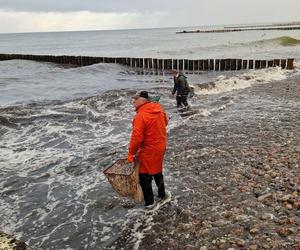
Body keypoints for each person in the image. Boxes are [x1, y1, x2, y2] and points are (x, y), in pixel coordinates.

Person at [127, 91, 170, 209]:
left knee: (144, 176)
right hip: (160, 146)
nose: (133, 103)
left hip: (147, 150)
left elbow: (136, 138)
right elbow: (165, 122)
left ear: (142, 101)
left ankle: (150, 204)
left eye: (135, 100)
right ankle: (162, 195)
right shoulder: (159, 109)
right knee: (157, 170)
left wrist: (131, 153)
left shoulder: (141, 116)